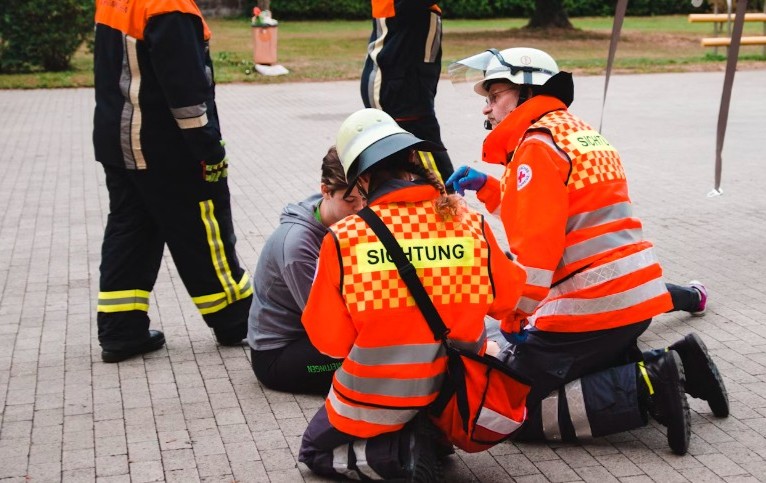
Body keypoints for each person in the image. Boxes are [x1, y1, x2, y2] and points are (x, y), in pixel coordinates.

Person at [446, 47, 729, 455]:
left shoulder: (536, 148)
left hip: (591, 309)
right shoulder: (574, 131)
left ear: (527, 91)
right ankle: (682, 363)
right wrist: (491, 189)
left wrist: (514, 315)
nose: (488, 110)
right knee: (572, 369)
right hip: (635, 301)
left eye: (495, 96)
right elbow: (565, 212)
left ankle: (646, 390)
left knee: (507, 412)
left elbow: (536, 260)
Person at [298, 108, 526, 480]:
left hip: (376, 396)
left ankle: (402, 452)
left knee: (314, 451)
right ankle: (430, 433)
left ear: (362, 179)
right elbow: (506, 298)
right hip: (453, 392)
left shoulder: (346, 238)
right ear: (412, 162)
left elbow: (330, 342)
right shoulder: (469, 222)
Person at [93, 0, 252, 363]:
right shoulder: (169, 6)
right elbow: (186, 94)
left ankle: (121, 329)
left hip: (117, 140)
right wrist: (210, 149)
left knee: (131, 230)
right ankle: (236, 318)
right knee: (204, 229)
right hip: (165, 145)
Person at [248, 147, 365, 394]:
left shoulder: (336, 219)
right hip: (279, 355)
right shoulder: (297, 247)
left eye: (364, 198)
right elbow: (326, 321)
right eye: (350, 200)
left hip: (312, 337)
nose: (359, 209)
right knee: (378, 360)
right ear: (326, 191)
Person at [360, 0, 453, 181]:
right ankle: (449, 204)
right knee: (433, 169)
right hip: (401, 90)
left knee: (396, 163)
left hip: (398, 83)